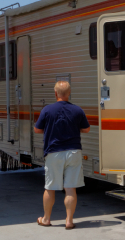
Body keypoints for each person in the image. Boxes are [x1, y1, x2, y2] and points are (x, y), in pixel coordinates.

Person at [34, 81, 90, 229]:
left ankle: (46, 219)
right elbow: (86, 129)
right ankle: (69, 221)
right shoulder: (77, 110)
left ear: (55, 93)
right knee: (70, 188)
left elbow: (37, 129)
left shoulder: (47, 110)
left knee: (50, 187)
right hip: (73, 152)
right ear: (69, 93)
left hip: (54, 153)